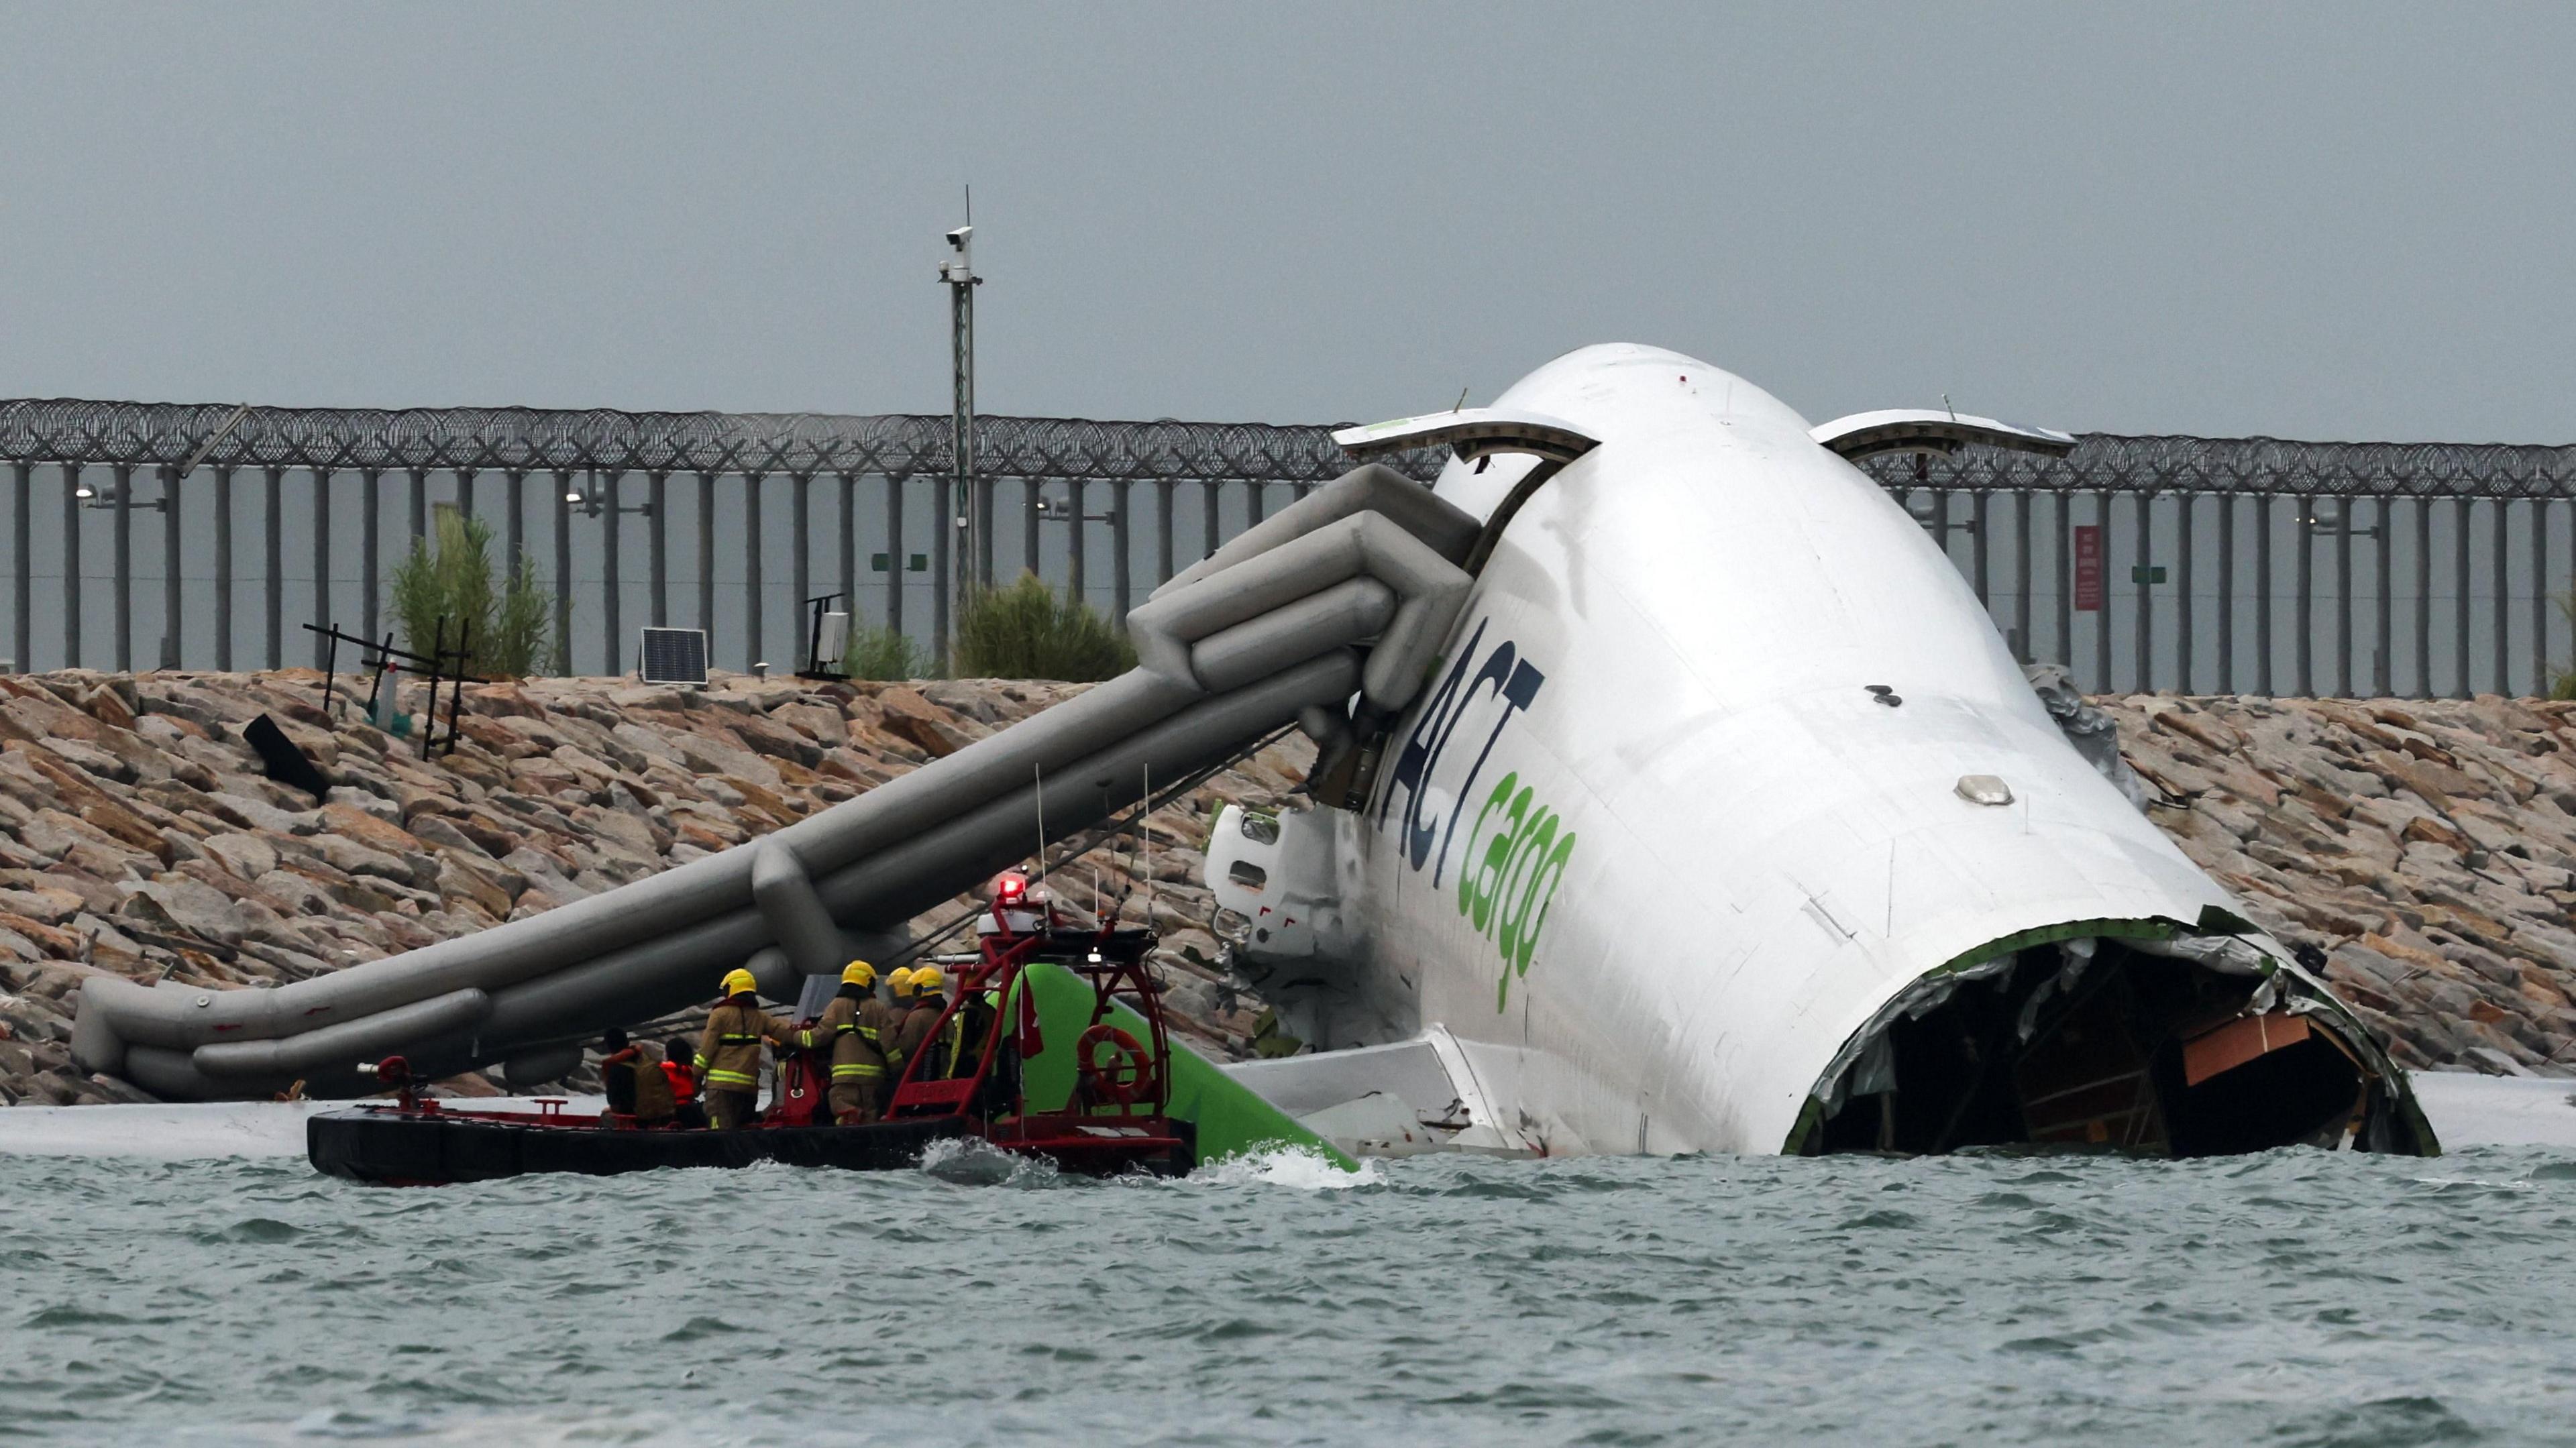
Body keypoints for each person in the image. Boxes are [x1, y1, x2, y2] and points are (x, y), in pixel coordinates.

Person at [694, 967, 791, 1130]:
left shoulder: (720, 1014)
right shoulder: (760, 1017)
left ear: (732, 988)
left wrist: (696, 1076)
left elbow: (706, 1051)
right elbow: (787, 1032)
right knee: (743, 1134)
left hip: (721, 1090)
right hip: (748, 1091)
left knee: (719, 1134)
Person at [796, 960, 889, 1125]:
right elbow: (890, 1044)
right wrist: (898, 1070)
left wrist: (797, 1037)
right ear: (870, 982)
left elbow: (820, 1036)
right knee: (871, 1118)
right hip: (874, 1080)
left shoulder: (836, 1006)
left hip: (844, 1079)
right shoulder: (879, 1008)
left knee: (840, 1108)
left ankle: (848, 1122)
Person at [884, 966, 949, 1095]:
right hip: (942, 1081)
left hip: (916, 1082)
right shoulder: (945, 1017)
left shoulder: (916, 1016)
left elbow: (906, 1048)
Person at [598, 1027, 676, 1125]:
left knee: (606, 1116)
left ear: (609, 1047)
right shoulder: (645, 1059)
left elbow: (615, 1106)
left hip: (635, 1119)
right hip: (661, 1115)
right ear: (627, 1042)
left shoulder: (615, 1069)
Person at [661, 1037, 707, 1129]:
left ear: (668, 1053)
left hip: (670, 1113)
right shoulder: (691, 1071)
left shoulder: (662, 1070)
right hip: (691, 1113)